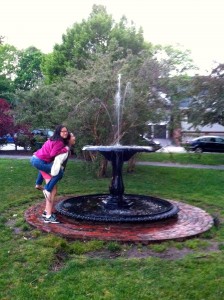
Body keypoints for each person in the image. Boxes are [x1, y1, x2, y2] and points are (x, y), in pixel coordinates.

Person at [30, 125, 69, 223]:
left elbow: (47, 150)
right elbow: (52, 154)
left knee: (45, 169)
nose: (65, 133)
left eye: (66, 131)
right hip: (39, 161)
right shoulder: (59, 142)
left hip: (36, 159)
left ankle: (38, 184)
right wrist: (65, 149)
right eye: (63, 131)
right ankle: (47, 190)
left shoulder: (52, 139)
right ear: (58, 132)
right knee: (59, 173)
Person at [40, 132, 76, 223]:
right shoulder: (64, 148)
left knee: (53, 191)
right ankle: (48, 216)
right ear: (68, 139)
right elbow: (56, 161)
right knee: (51, 191)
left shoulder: (66, 148)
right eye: (73, 136)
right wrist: (55, 173)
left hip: (48, 168)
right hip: (50, 169)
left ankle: (46, 212)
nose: (74, 137)